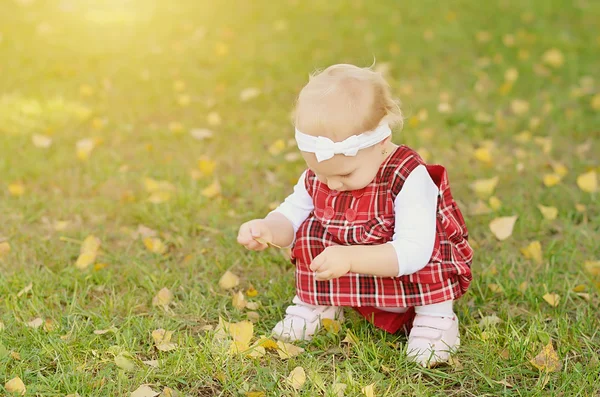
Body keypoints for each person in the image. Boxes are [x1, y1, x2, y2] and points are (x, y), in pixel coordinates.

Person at [237, 64, 473, 366]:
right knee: (312, 230)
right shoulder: (324, 174)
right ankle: (319, 304)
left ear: (381, 143)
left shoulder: (408, 176)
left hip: (407, 260)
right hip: (352, 260)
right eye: (322, 174)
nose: (332, 185)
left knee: (432, 248)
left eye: (345, 174)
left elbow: (413, 252)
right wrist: (268, 228)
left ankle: (435, 318)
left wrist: (349, 258)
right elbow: (291, 217)